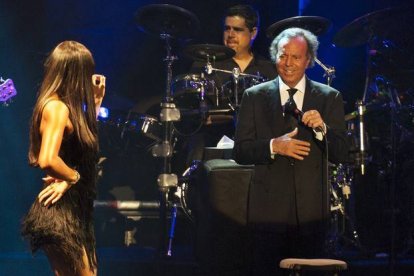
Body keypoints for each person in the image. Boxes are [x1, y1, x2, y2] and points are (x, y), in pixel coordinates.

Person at [233, 27, 349, 275]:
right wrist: (275, 145)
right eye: (283, 55)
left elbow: (341, 153)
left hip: (311, 214)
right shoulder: (253, 97)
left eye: (296, 57)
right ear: (275, 56)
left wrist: (322, 129)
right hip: (268, 212)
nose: (288, 63)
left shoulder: (330, 97)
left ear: (308, 61)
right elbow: (241, 151)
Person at [21, 41, 106, 276]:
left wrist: (96, 105)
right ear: (76, 73)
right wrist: (72, 177)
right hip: (60, 212)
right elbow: (47, 159)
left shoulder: (66, 106)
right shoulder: (57, 108)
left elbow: (82, 150)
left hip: (74, 208)